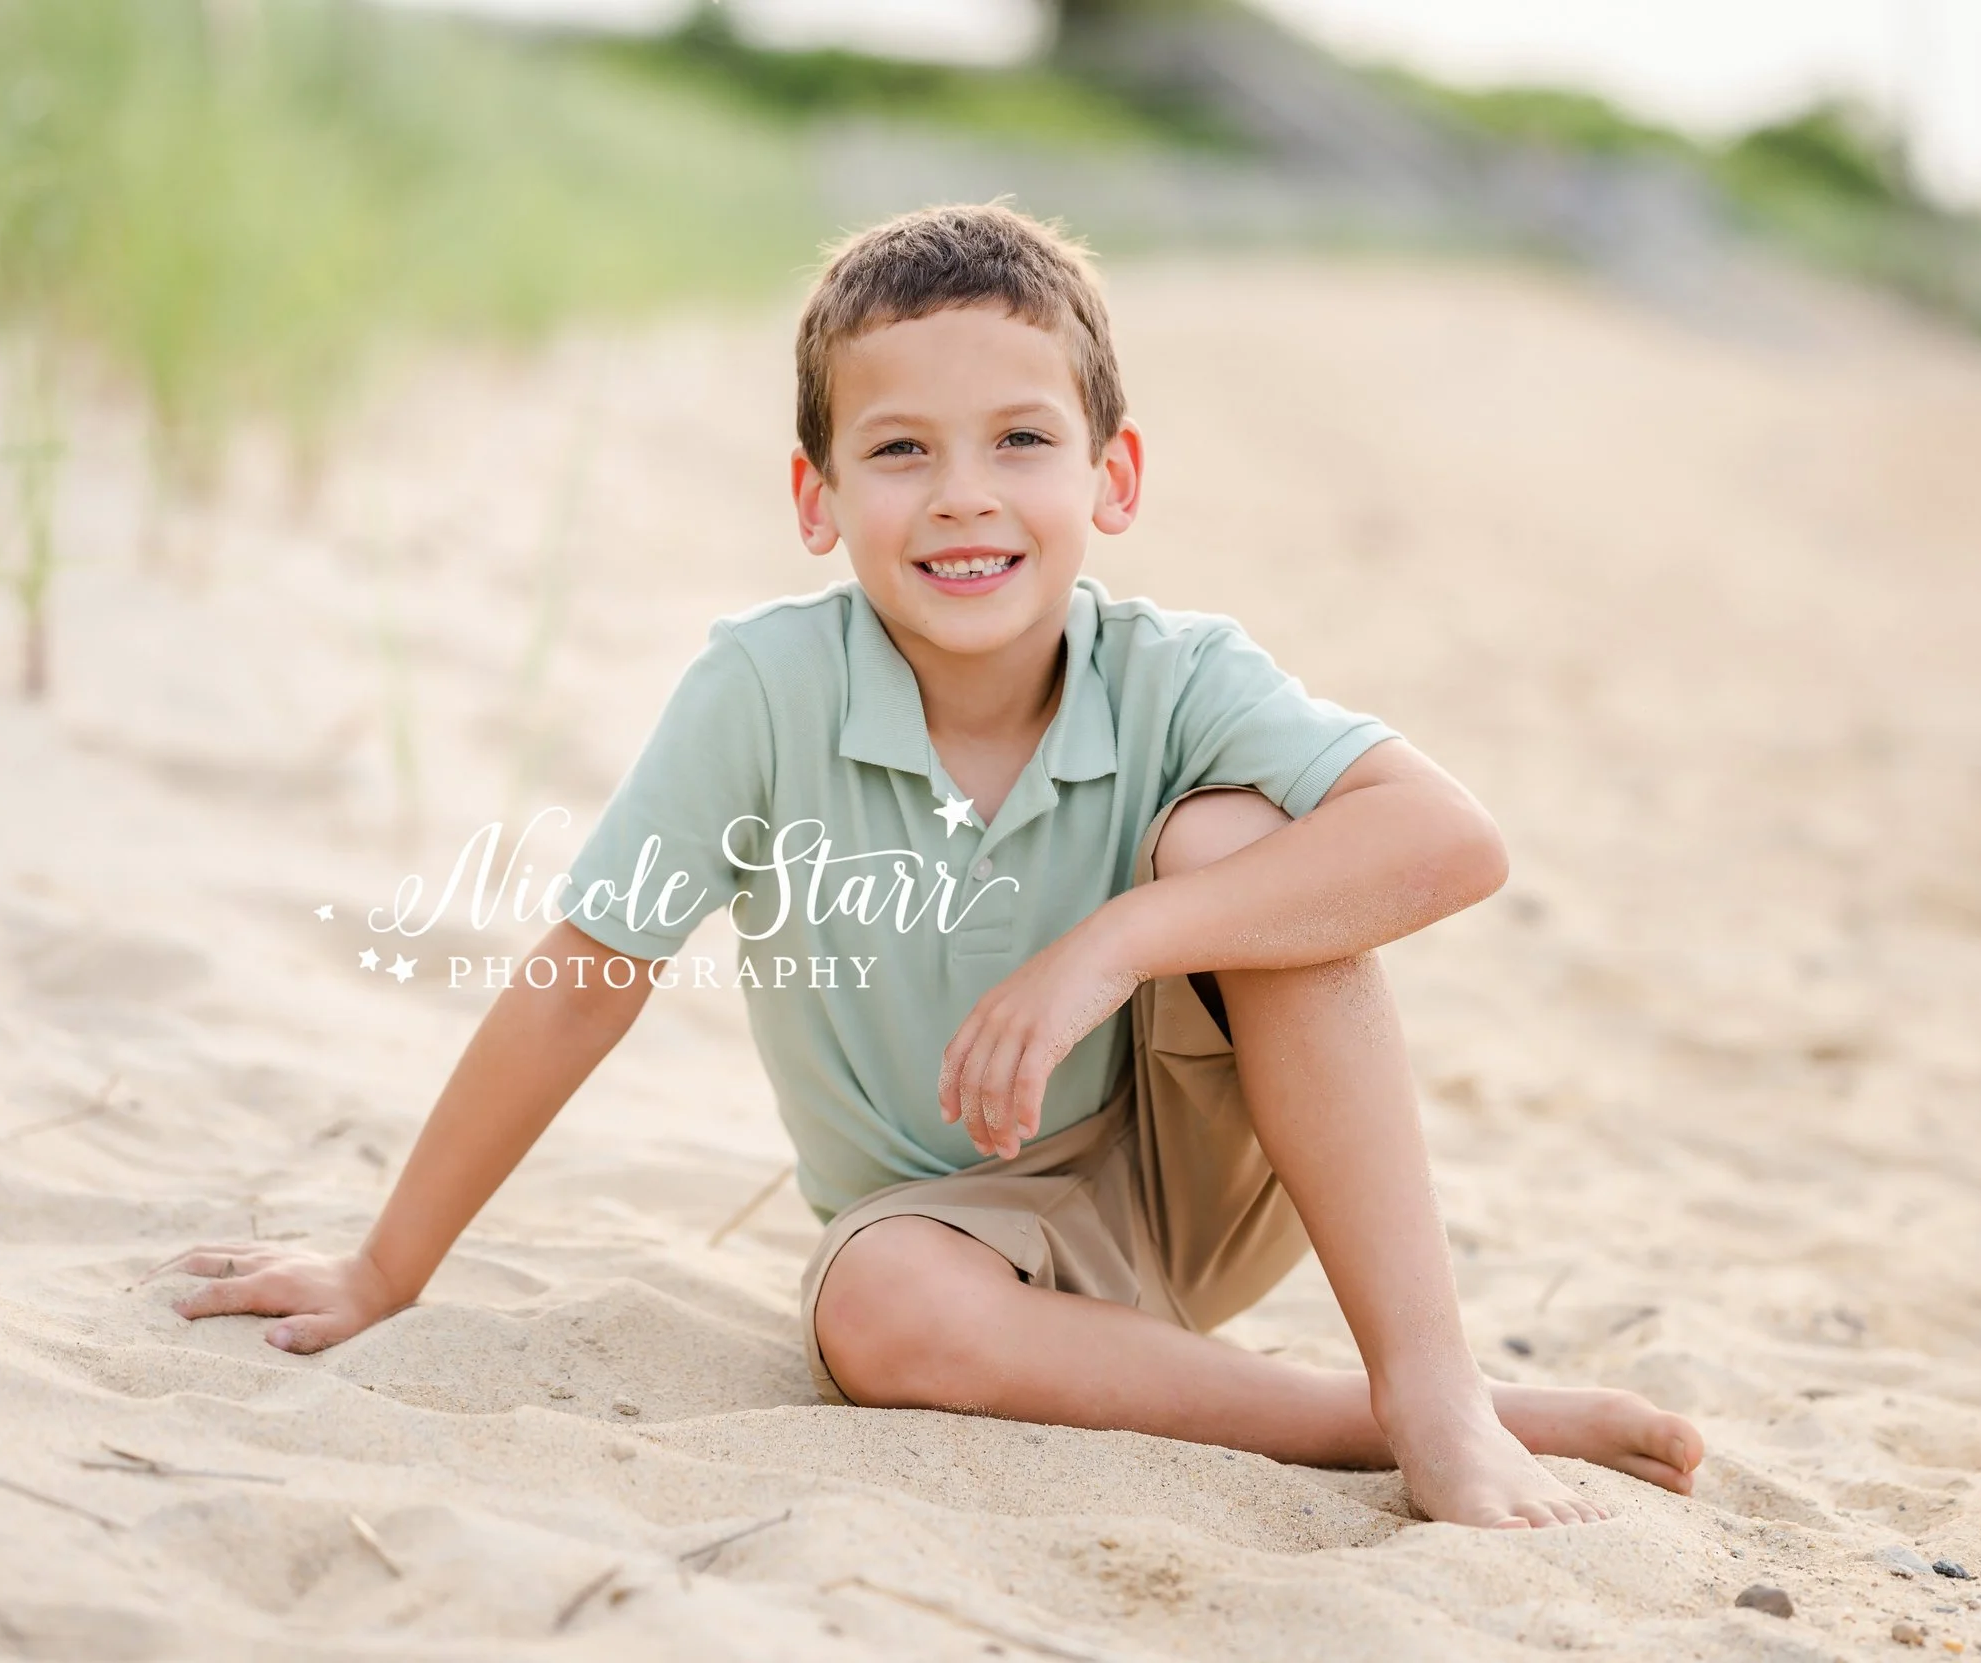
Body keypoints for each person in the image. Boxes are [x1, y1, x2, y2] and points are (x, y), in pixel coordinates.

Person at [165, 202, 1702, 1529]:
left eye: (1021, 439)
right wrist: (383, 1266)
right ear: (817, 497)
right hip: (950, 1235)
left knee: (1235, 834)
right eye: (901, 449)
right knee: (872, 1307)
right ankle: (1367, 1416)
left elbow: (1453, 841)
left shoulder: (1172, 673)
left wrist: (1117, 940)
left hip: (1203, 1173)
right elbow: (583, 983)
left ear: (1113, 476)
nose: (964, 491)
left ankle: (1435, 1390)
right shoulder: (761, 694)